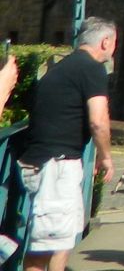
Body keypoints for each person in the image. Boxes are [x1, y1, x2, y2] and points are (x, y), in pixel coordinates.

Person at [17, 17, 117, 271]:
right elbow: (98, 120)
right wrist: (105, 156)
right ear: (105, 42)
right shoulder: (92, 69)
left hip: (51, 162)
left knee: (63, 240)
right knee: (44, 249)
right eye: (114, 43)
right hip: (56, 167)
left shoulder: (62, 68)